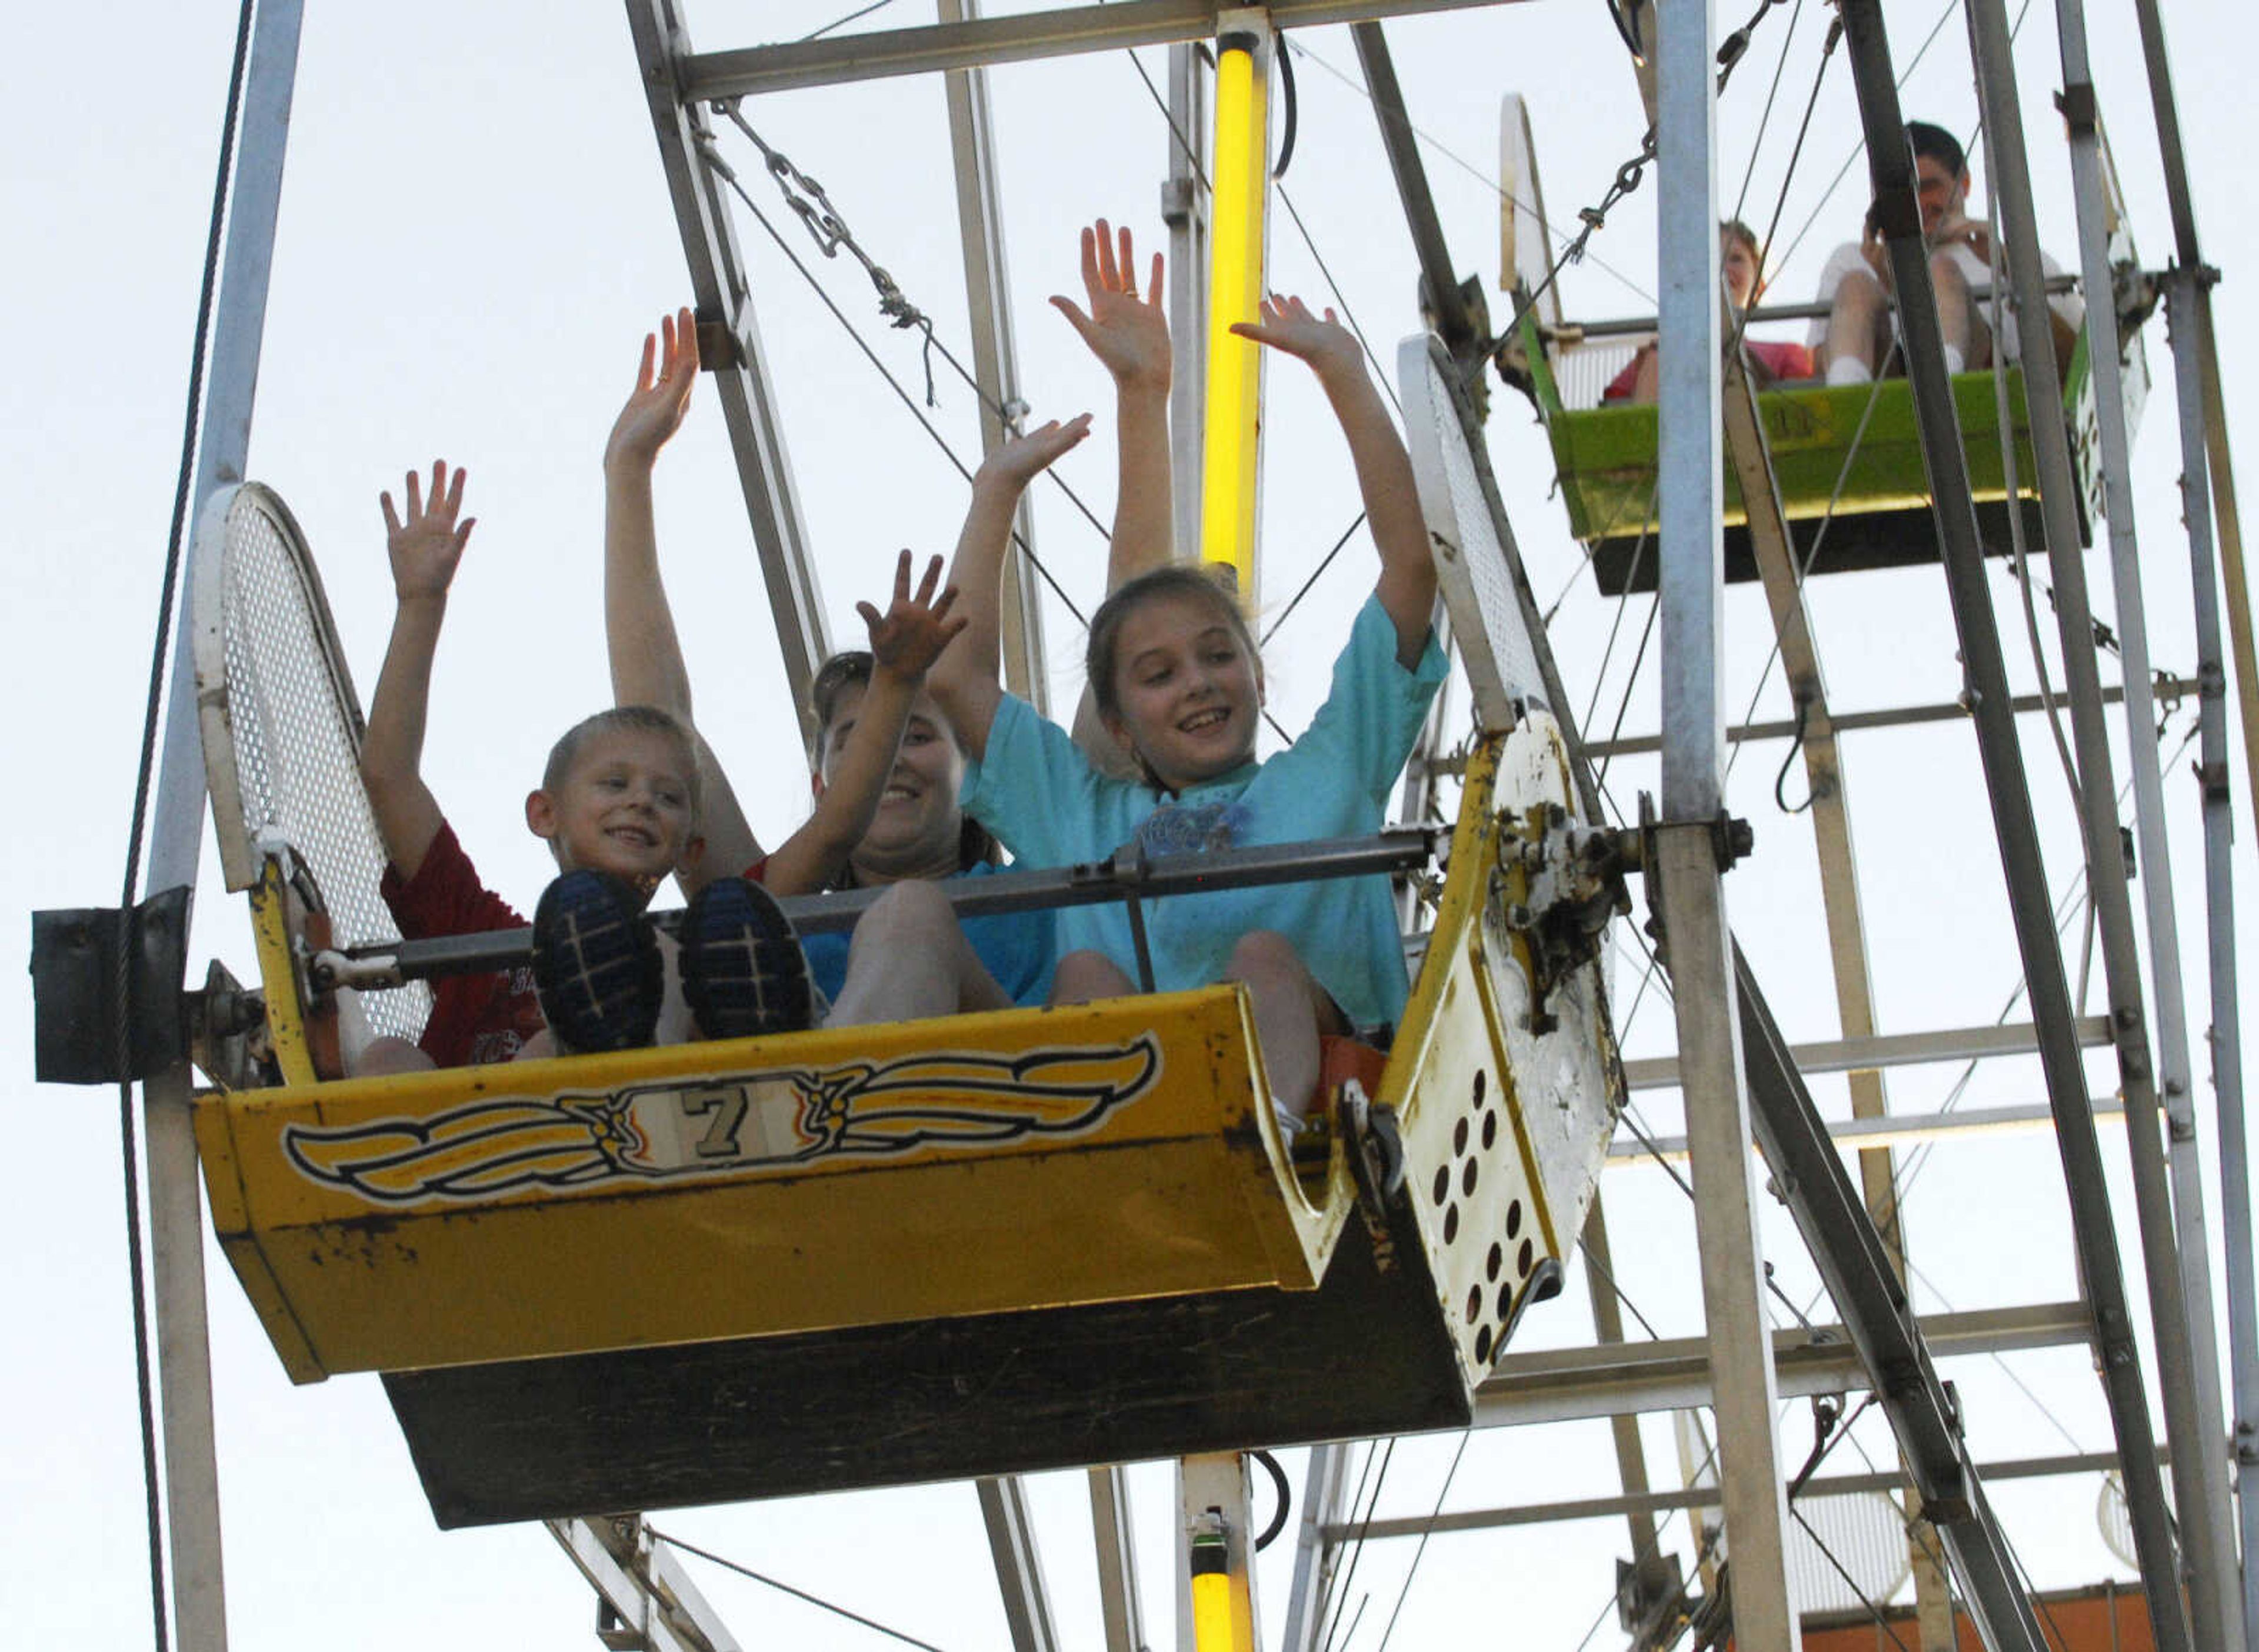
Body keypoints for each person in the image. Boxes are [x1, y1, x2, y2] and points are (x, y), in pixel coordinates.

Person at [600, 221, 1174, 1025]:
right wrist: (628, 473)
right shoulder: (780, 905)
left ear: (974, 770)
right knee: (679, 951)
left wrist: (1143, 401)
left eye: (916, 734)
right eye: (856, 740)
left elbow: (1143, 635)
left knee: (909, 916)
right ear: (821, 783)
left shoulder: (1054, 859)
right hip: (818, 1128)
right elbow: (659, 729)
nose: (890, 758)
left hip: (1022, 1113)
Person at [928, 294, 1448, 1123]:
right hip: (1152, 1104)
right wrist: (997, 489)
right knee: (1086, 978)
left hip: (1336, 1097)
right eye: (1160, 673)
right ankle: (1091, 1150)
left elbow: (1414, 567)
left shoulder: (1329, 771)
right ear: (1120, 725)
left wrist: (1342, 370)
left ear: (1258, 678)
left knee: (1260, 958)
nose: (1199, 683)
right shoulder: (1082, 814)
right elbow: (954, 680)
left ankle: (1262, 1133)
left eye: (1217, 655)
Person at [358, 459, 964, 1070]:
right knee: (387, 1057)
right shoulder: (484, 935)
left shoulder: (718, 935)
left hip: (666, 1139)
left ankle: (654, 1057)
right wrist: (419, 604)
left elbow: (836, 828)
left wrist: (896, 683)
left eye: (669, 798)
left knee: (678, 954)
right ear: (545, 812)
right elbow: (389, 777)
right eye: (615, 783)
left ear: (691, 850)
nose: (641, 801)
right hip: (511, 1151)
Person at [1810, 119, 2083, 385]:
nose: (1917, 204)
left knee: (1942, 270)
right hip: (1887, 377)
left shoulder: (2015, 259)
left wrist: (2010, 269)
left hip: (1982, 378)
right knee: (1856, 284)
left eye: (1929, 189)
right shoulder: (1852, 258)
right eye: (1905, 193)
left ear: (1963, 184)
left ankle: (1948, 392)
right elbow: (1818, 366)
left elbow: (2077, 362)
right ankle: (1848, 395)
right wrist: (1889, 289)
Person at [1602, 218, 1815, 402]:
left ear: (1759, 283)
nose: (1723, 270)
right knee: (1663, 352)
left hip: (1758, 439)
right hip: (1675, 435)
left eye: (1736, 259)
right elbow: (1615, 405)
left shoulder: (1786, 354)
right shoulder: (1661, 352)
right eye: (1712, 260)